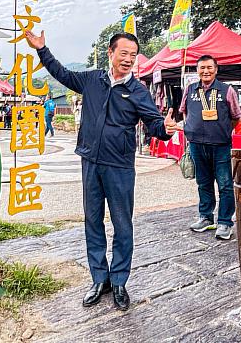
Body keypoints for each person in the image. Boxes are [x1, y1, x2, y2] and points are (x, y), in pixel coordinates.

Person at [25, 28, 176, 311]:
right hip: (90, 163)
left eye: (133, 55)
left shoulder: (138, 91)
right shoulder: (93, 79)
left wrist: (165, 130)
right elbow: (63, 74)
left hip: (119, 166)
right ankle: (99, 278)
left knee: (122, 224)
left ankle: (119, 280)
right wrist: (42, 50)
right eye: (124, 53)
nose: (128, 59)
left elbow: (154, 123)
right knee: (92, 221)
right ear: (111, 53)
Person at [178, 55, 241, 240]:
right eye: (202, 68)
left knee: (224, 184)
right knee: (203, 183)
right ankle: (206, 217)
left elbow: (236, 116)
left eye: (209, 68)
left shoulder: (226, 90)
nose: (205, 71)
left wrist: (222, 131)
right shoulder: (190, 89)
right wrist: (191, 130)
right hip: (197, 144)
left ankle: (225, 221)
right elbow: (185, 112)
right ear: (197, 70)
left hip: (220, 145)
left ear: (216, 69)